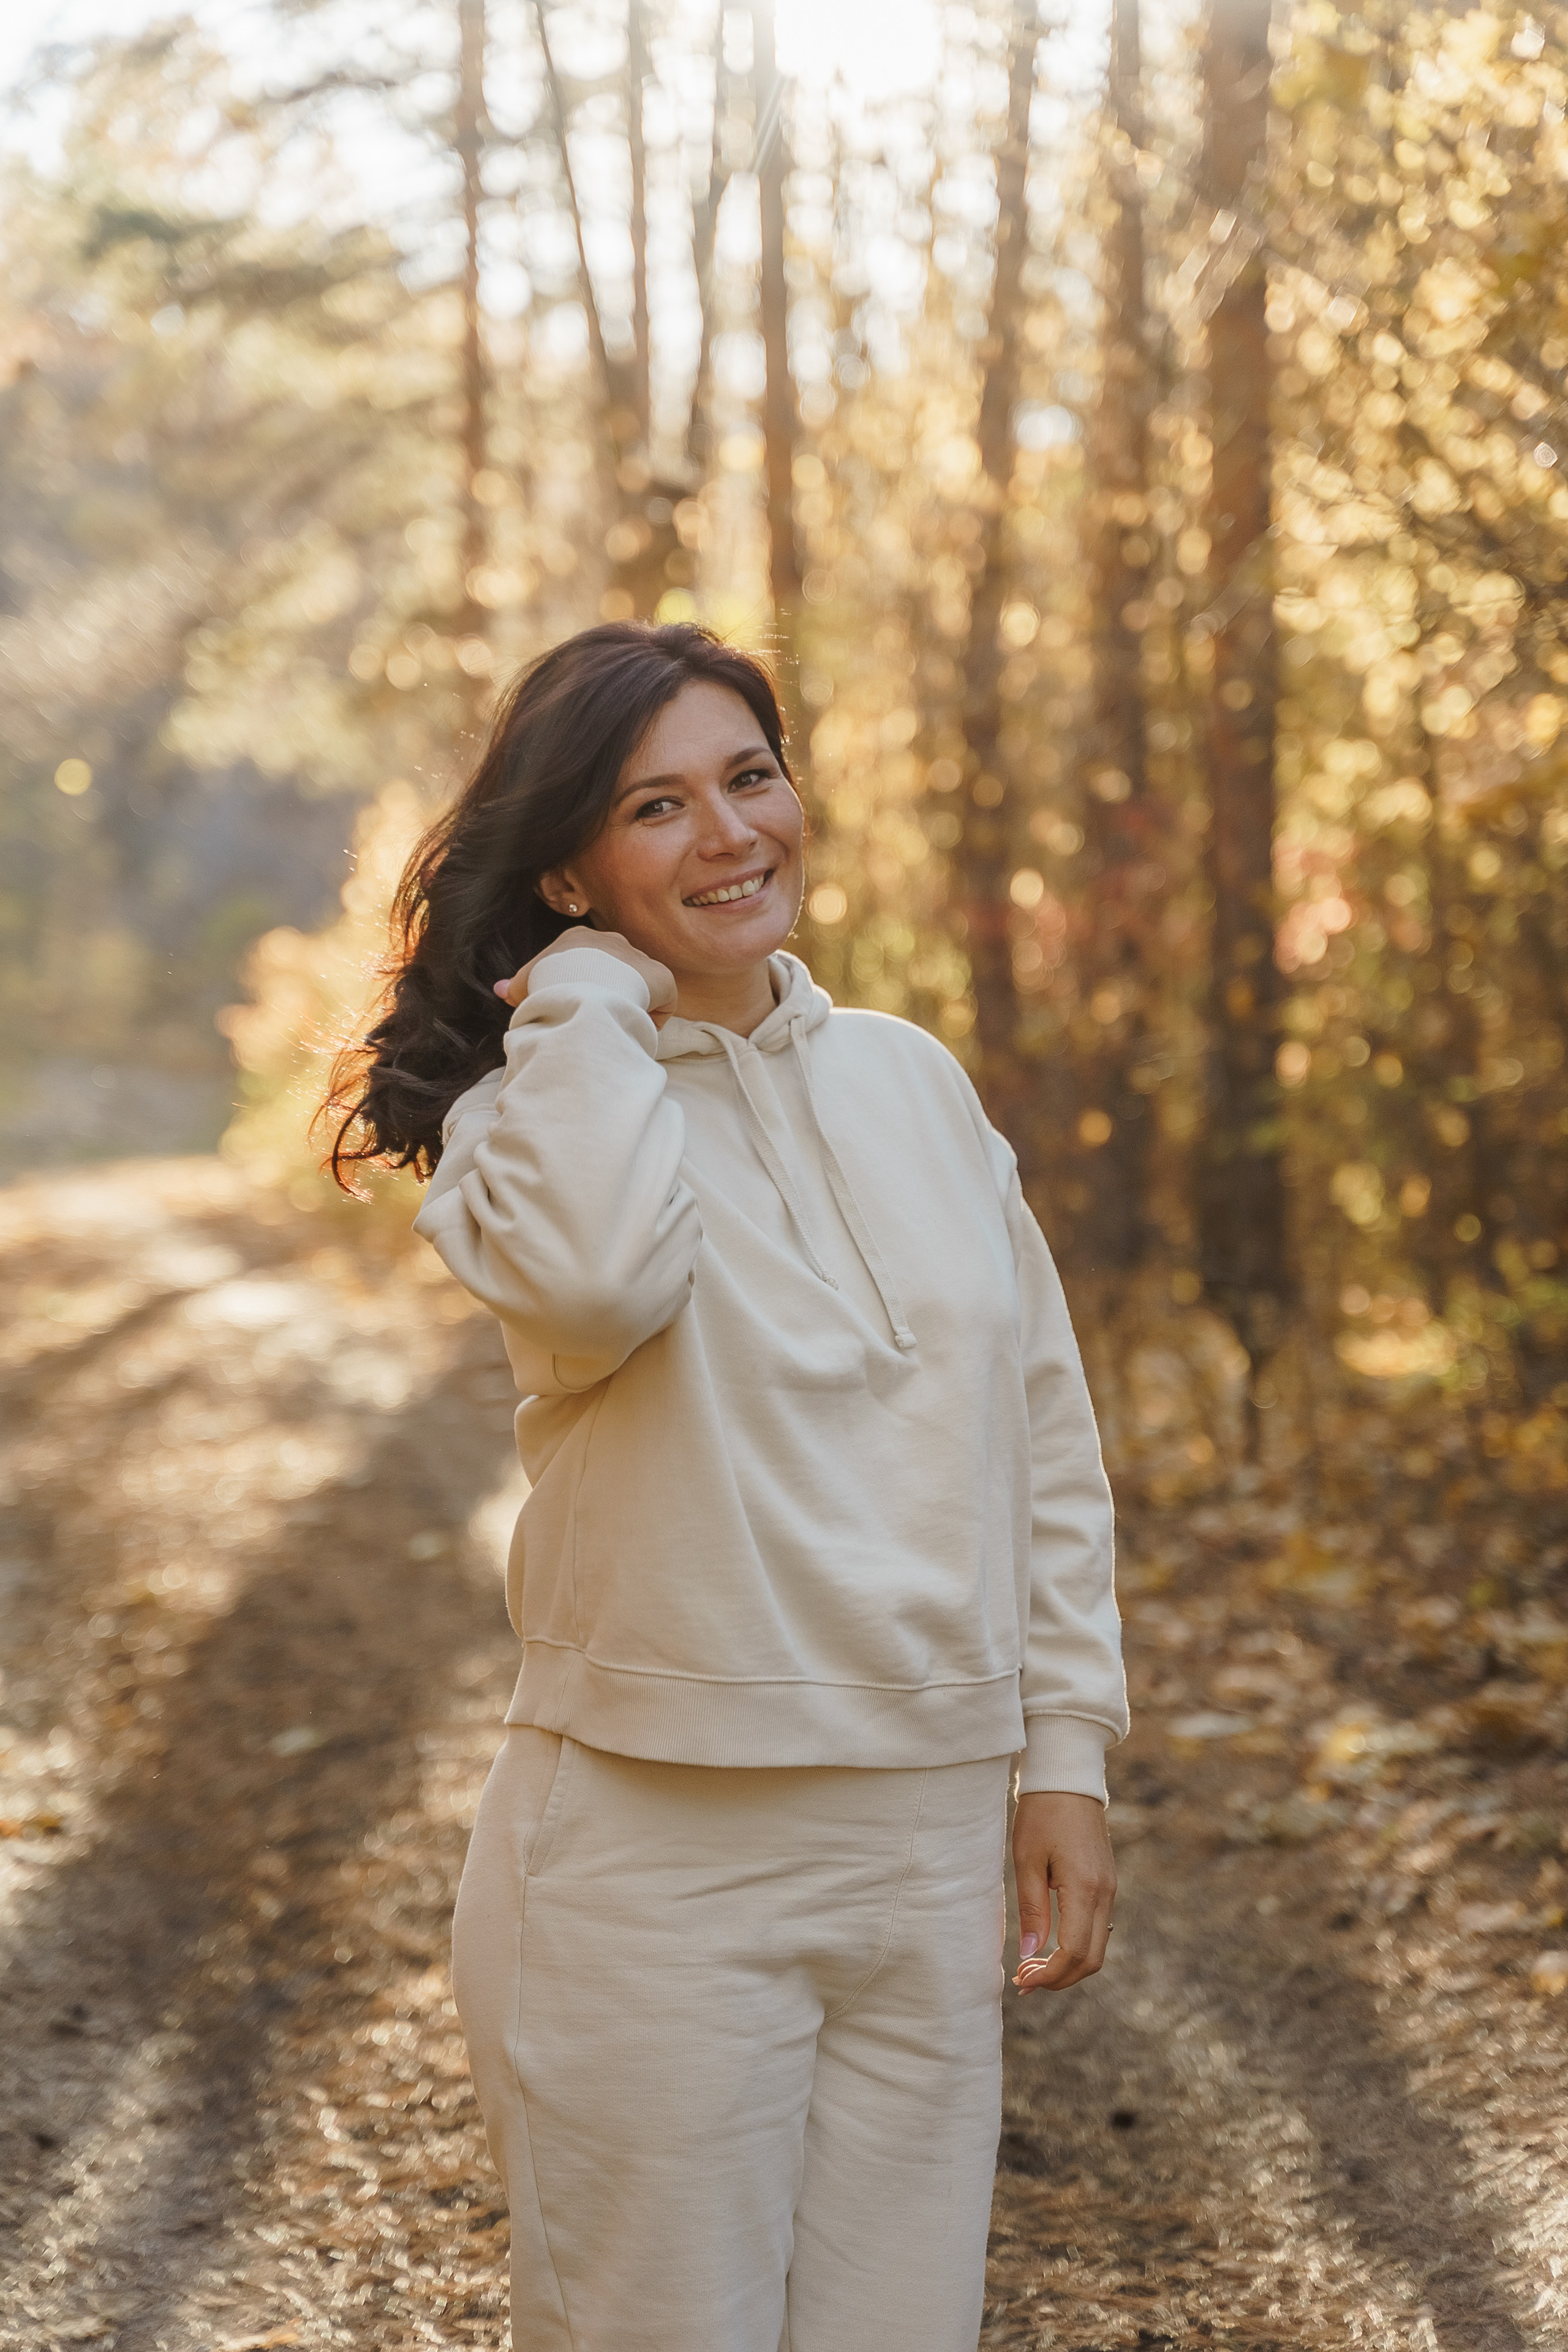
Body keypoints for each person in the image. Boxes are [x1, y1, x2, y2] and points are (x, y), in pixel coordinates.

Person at [327, 620, 1128, 2352]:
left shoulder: (912, 1079)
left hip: (924, 1855)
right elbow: (606, 1289)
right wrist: (591, 1005)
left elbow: (1040, 1433)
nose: (730, 836)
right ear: (570, 868)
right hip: (648, 1873)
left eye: (749, 778)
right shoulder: (530, 1125)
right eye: (658, 808)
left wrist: (1063, 1751)